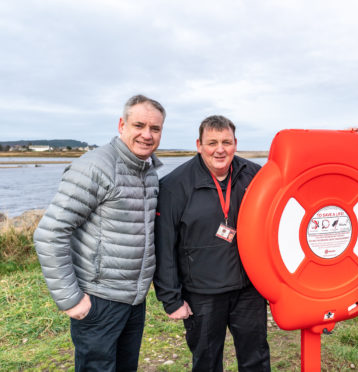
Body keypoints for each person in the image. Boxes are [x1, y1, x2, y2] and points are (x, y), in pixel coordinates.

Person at [33, 94, 165, 371]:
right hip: (98, 300)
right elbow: (49, 233)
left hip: (133, 301)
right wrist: (71, 299)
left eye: (155, 128)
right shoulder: (94, 167)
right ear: (122, 125)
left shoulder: (149, 171)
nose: (147, 135)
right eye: (139, 125)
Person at [153, 115, 271, 372]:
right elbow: (164, 246)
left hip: (249, 290)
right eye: (212, 142)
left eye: (226, 142)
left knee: (256, 359)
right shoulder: (174, 186)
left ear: (235, 143)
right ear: (199, 144)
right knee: (206, 362)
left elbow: (279, 215)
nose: (220, 149)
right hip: (202, 294)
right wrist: (171, 298)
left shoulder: (256, 176)